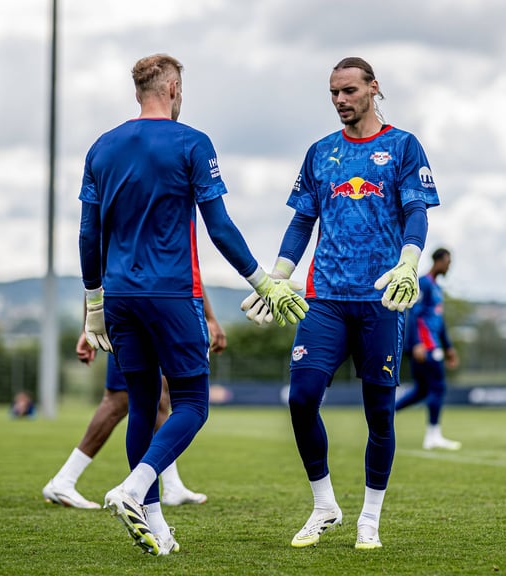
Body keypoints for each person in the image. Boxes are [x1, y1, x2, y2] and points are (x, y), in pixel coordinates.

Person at [78, 53, 307, 557]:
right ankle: (133, 489)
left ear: (139, 91)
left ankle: (155, 525)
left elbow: (89, 231)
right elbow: (218, 226)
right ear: (174, 88)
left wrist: (93, 300)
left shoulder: (102, 147)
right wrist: (263, 280)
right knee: (193, 406)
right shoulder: (192, 143)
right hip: (171, 295)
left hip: (118, 298)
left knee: (140, 405)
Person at [242, 57, 439, 550]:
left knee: (380, 413)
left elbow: (416, 211)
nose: (340, 100)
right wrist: (276, 278)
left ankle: (369, 518)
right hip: (323, 297)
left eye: (349, 91)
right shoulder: (320, 153)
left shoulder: (403, 146)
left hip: (379, 300)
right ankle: (325, 505)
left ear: (374, 89)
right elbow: (301, 221)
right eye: (333, 92)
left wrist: (409, 262)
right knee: (302, 398)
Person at [41, 295, 227, 509]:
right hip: (138, 312)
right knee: (119, 400)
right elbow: (94, 274)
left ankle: (172, 485)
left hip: (144, 308)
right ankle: (65, 479)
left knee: (159, 399)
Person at [395, 247, 461, 450]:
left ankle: (386, 412)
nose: (449, 266)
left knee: (422, 390)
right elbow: (415, 314)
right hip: (426, 346)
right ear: (438, 261)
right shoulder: (423, 283)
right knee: (437, 388)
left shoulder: (437, 288)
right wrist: (417, 343)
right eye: (448, 262)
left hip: (434, 344)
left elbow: (438, 323)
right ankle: (433, 435)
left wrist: (449, 348)